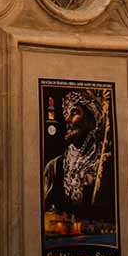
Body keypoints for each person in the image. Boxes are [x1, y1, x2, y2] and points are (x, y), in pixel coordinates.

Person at [42, 89, 115, 219]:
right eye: (67, 113)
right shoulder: (54, 167)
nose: (68, 119)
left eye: (75, 112)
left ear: (93, 120)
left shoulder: (105, 165)